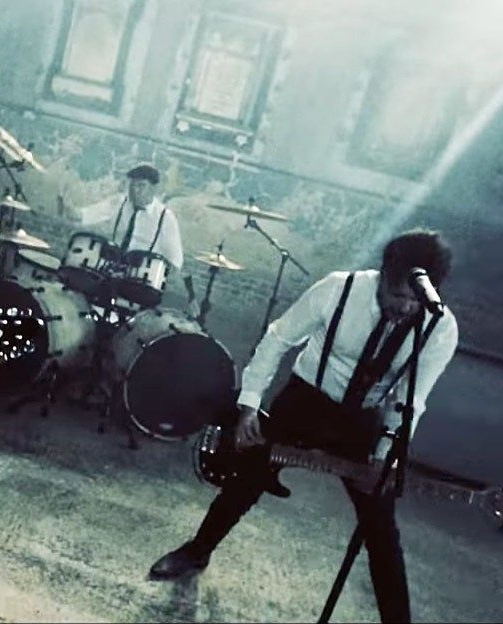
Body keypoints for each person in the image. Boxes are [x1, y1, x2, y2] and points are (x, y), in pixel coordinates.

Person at [147, 230, 460, 623]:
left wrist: (385, 457)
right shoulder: (339, 289)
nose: (406, 307)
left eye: (416, 300)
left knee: (381, 528)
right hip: (306, 400)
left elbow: (412, 400)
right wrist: (250, 405)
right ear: (383, 275)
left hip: (363, 419)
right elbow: (279, 338)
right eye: (398, 295)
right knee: (245, 482)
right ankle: (197, 550)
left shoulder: (439, 327)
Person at [59, 164, 199, 314]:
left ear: (154, 189)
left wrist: (188, 294)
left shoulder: (166, 218)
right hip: (109, 269)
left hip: (139, 279)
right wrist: (68, 208)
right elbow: (86, 215)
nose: (134, 190)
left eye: (141, 186)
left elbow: (175, 261)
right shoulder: (119, 202)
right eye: (132, 185)